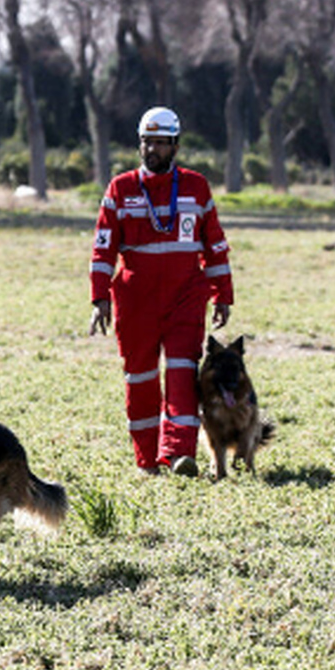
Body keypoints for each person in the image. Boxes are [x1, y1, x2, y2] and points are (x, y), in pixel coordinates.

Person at [88, 106, 233, 476]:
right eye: (147, 142)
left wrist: (223, 293)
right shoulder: (120, 189)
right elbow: (103, 247)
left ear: (175, 146)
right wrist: (99, 297)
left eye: (161, 143)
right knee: (141, 378)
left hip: (186, 296)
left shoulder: (196, 187)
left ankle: (179, 453)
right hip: (135, 301)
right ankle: (147, 460)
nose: (153, 149)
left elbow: (214, 244)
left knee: (183, 373)